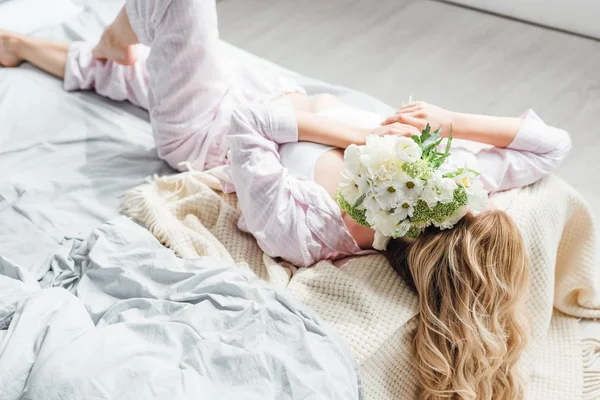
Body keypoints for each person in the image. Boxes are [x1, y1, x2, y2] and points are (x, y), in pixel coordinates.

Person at [0, 0, 572, 398]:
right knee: (139, 74)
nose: (481, 187)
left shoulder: (315, 229)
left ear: (434, 228)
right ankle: (33, 47)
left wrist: (356, 137)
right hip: (270, 98)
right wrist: (450, 122)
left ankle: (116, 35)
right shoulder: (450, 181)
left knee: (175, 20)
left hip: (205, 131)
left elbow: (248, 126)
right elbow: (551, 146)